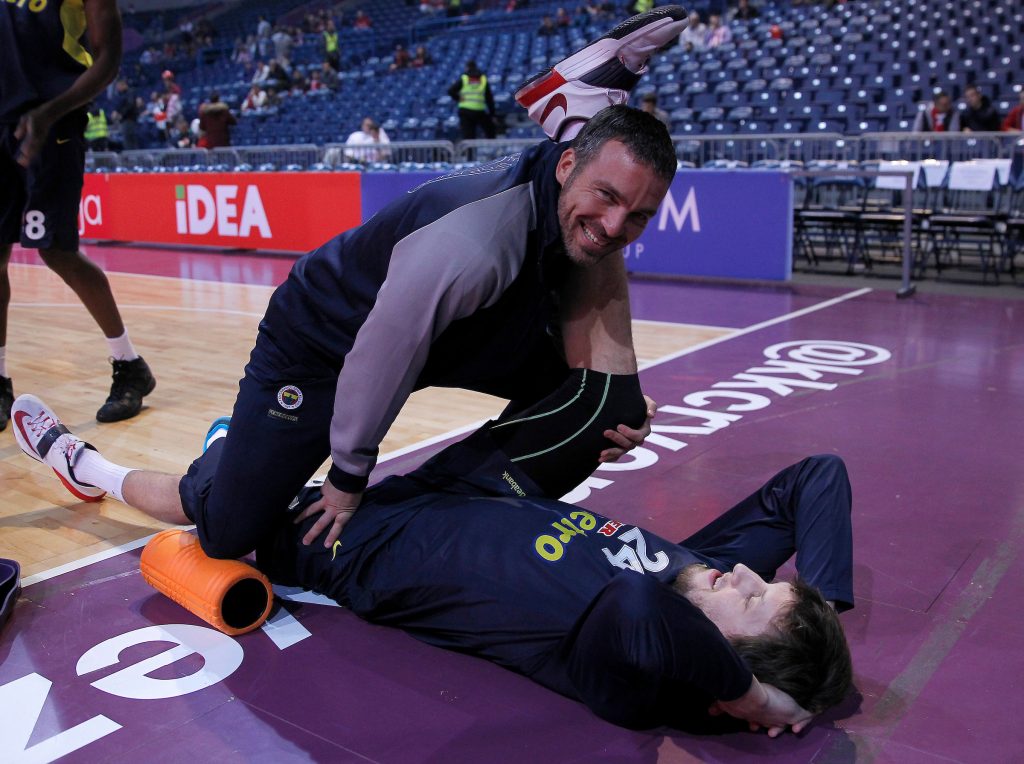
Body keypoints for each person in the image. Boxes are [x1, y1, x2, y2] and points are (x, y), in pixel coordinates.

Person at [12, 8, 688, 571]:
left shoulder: (567, 205)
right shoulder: (472, 244)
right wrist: (346, 477)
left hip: (445, 334)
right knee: (227, 529)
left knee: (598, 405)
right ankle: (89, 462)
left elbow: (583, 271)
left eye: (637, 215)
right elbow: (379, 354)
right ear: (567, 164)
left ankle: (582, 110)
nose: (614, 227)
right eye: (606, 197)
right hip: (325, 342)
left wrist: (607, 404)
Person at [11, 367, 854, 733]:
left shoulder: (630, 674)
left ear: (724, 666)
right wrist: (822, 611)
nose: (747, 574)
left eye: (753, 599)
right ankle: (230, 445)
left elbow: (637, 611)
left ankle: (88, 468)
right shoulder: (698, 573)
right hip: (470, 487)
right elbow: (814, 479)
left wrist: (754, 694)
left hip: (355, 543)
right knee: (605, 399)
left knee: (221, 497)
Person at [0, 0, 156, 431]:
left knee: (57, 252)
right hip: (3, 122)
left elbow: (108, 59)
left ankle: (129, 365)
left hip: (53, 123)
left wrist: (50, 112)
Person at [448, 60, 497, 140]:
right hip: (479, 111)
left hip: (465, 111)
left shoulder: (464, 78)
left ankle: (470, 149)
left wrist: (458, 98)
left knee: (468, 138)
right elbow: (489, 98)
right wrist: (492, 114)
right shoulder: (483, 79)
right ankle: (493, 146)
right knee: (490, 133)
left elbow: (450, 91)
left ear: (467, 68)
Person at [112, 79, 141, 150]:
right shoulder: (123, 94)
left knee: (129, 141)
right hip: (126, 120)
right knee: (127, 140)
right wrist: (116, 111)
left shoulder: (129, 93)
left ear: (123, 85)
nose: (117, 88)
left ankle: (132, 156)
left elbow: (129, 105)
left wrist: (121, 114)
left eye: (118, 86)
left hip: (129, 120)